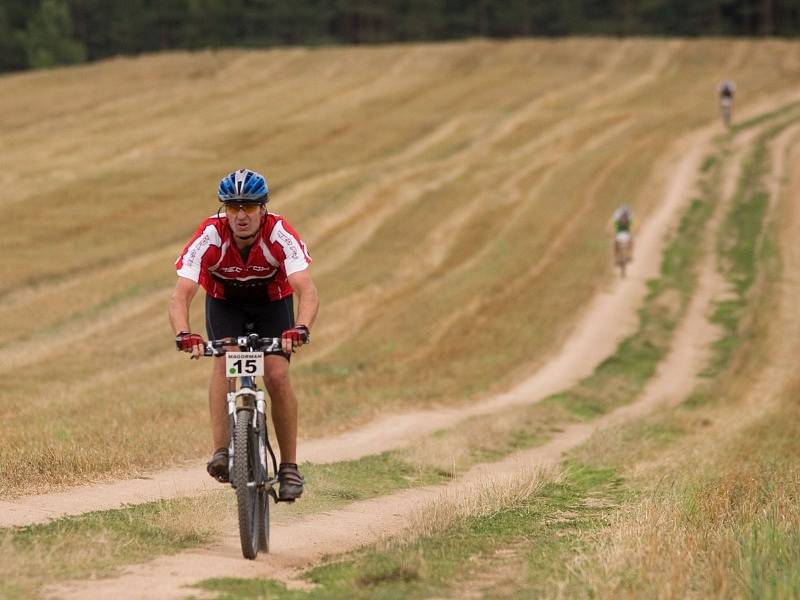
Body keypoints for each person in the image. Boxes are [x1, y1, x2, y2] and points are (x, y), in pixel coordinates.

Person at [168, 168, 319, 500]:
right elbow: (181, 294)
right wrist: (184, 333)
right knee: (225, 363)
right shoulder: (209, 234)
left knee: (277, 374)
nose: (240, 215)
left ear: (263, 208)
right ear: (224, 209)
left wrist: (300, 328)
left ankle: (289, 467)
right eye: (233, 207)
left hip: (272, 303)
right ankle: (222, 452)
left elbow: (306, 289)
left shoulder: (279, 232)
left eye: (249, 207)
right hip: (226, 304)